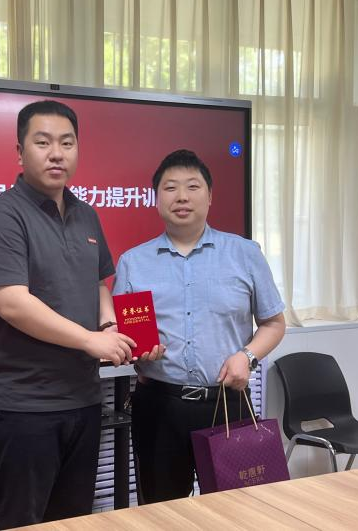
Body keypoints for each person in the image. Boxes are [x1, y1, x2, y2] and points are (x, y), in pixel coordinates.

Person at [0, 100, 161, 530]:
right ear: (20, 152)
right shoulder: (2, 217)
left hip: (83, 399)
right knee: (20, 522)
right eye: (43, 143)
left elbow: (99, 285)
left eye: (67, 143)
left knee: (73, 520)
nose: (56, 153)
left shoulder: (86, 215)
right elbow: (12, 303)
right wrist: (90, 339)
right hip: (23, 406)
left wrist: (110, 327)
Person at [112, 149, 286, 504]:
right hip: (159, 405)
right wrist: (135, 349)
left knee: (235, 509)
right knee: (162, 512)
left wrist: (247, 355)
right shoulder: (133, 262)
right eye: (170, 188)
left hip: (227, 402)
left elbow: (274, 323)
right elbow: (126, 336)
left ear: (209, 197)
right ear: (156, 199)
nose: (182, 196)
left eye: (193, 186)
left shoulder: (245, 253)